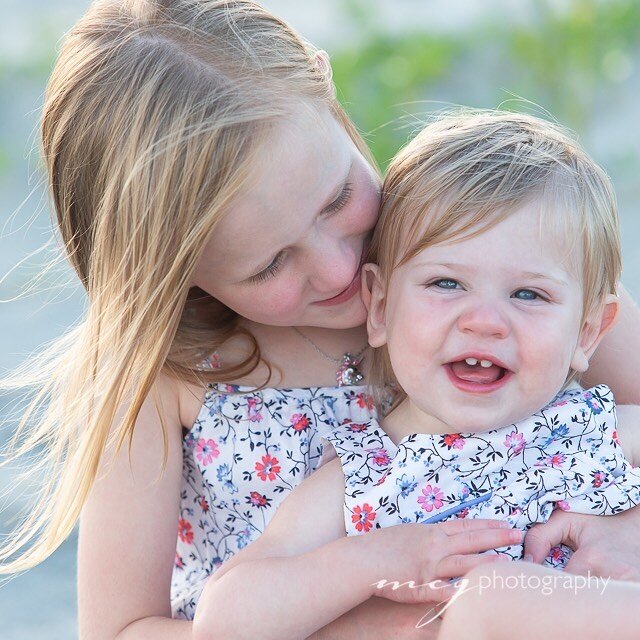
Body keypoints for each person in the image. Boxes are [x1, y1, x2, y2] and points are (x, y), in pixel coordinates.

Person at [0, 1, 639, 638]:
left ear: (328, 96)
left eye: (338, 198)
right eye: (270, 264)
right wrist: (380, 617)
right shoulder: (159, 381)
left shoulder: (478, 245)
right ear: (172, 270)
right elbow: (120, 631)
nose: (340, 271)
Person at [191, 110, 640, 639]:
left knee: (487, 603)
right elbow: (221, 622)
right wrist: (368, 561)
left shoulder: (597, 430)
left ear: (587, 333)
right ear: (379, 306)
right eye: (447, 283)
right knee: (483, 606)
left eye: (528, 294)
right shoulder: (364, 475)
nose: (485, 322)